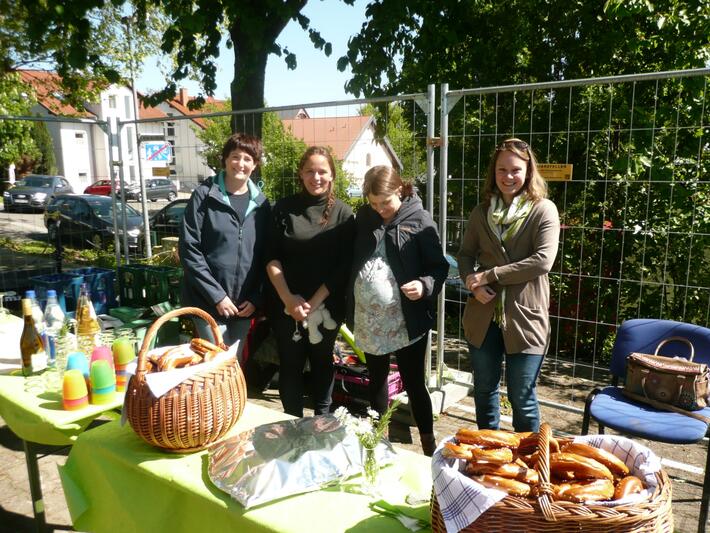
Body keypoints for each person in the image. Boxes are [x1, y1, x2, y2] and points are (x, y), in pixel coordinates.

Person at [457, 138, 560, 433]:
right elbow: (465, 255)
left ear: (528, 171)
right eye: (502, 169)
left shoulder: (544, 210)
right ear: (494, 172)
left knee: (522, 397)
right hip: (483, 314)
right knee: (484, 390)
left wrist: (489, 276)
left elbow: (542, 261)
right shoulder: (481, 213)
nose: (508, 176)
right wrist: (472, 284)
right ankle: (487, 456)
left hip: (526, 317)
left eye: (515, 169)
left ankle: (529, 467)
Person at [348, 165, 448, 456]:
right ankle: (378, 444)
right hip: (371, 321)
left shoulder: (419, 219)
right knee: (376, 380)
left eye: (385, 202)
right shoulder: (365, 217)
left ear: (400, 191)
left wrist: (424, 285)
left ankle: (429, 445)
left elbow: (438, 267)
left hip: (408, 319)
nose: (380, 209)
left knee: (414, 380)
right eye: (373, 203)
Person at [265, 146, 355, 417]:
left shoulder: (344, 214)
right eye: (310, 171)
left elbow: (343, 268)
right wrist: (288, 299)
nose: (316, 177)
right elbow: (271, 258)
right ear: (301, 174)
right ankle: (293, 426)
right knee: (290, 366)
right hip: (285, 307)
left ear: (332, 175)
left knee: (321, 363)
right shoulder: (283, 208)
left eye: (322, 171)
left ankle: (322, 423)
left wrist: (313, 303)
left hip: (326, 306)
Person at [179, 132, 271, 361]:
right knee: (215, 362)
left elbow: (267, 254)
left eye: (248, 159)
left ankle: (232, 399)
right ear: (225, 159)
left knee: (234, 363)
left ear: (255, 164)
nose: (241, 164)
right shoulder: (204, 196)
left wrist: (256, 298)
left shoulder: (261, 204)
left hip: (243, 305)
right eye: (235, 157)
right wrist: (217, 296)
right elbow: (190, 250)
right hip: (207, 301)